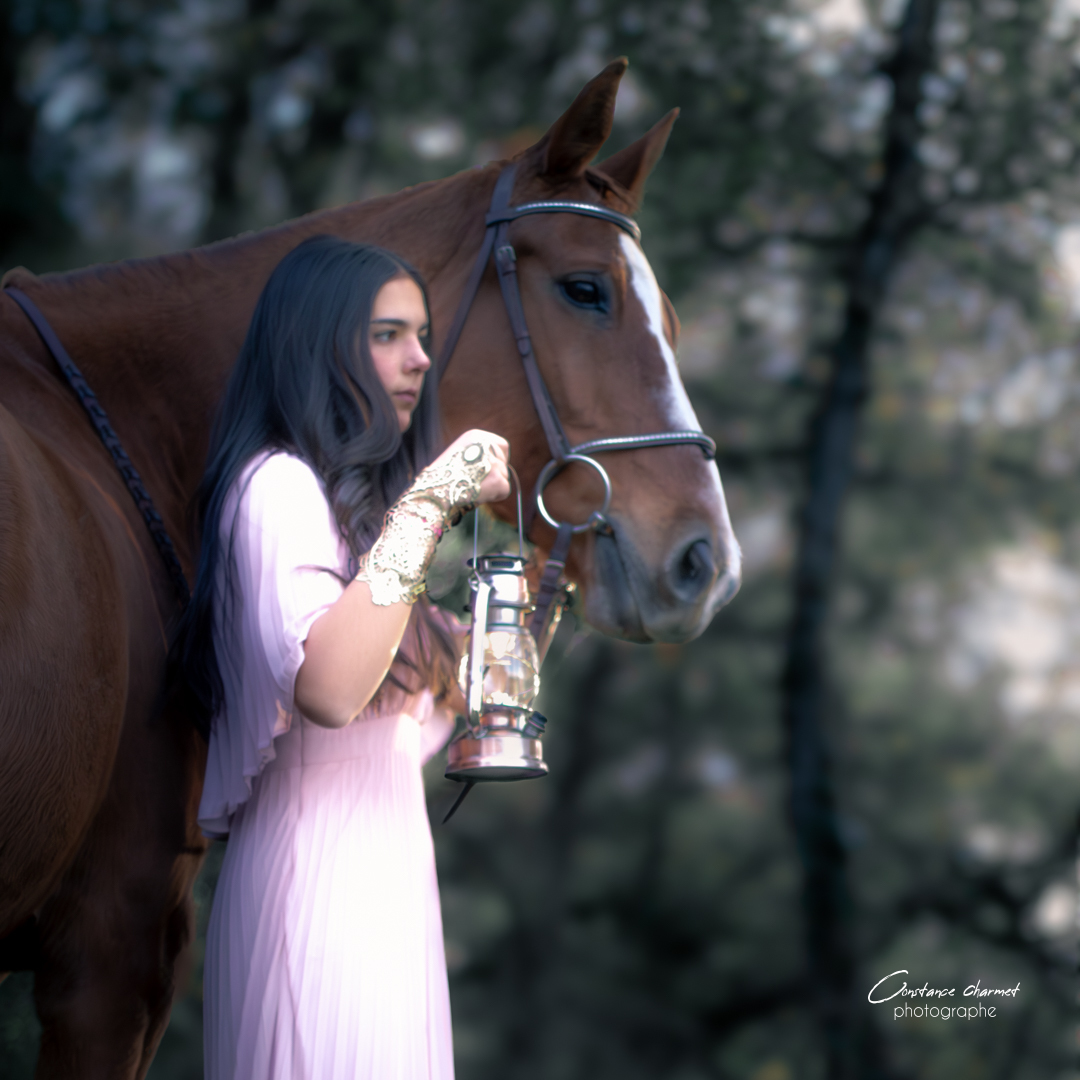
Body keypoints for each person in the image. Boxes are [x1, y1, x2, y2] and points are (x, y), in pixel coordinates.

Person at [171, 234, 510, 1080]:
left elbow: (406, 726)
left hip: (392, 892)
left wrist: (528, 609)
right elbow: (326, 688)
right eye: (388, 334)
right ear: (317, 342)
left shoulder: (362, 527)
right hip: (313, 892)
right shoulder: (273, 485)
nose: (421, 358)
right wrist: (434, 497)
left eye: (423, 335)